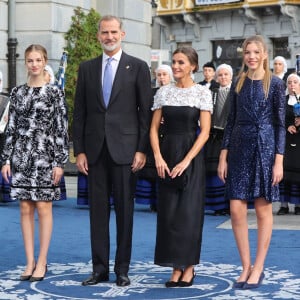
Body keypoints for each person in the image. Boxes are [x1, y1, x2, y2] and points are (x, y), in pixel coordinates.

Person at [72, 15, 153, 287]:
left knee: (125, 212)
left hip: (127, 152)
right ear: (98, 36)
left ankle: (122, 269)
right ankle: (99, 269)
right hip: (94, 153)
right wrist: (79, 151)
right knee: (97, 213)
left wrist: (142, 150)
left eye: (113, 32)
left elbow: (146, 114)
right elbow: (79, 114)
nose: (109, 37)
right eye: (104, 33)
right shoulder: (86, 68)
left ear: (123, 33)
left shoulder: (138, 67)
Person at [218, 35, 286, 289]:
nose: (252, 56)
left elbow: (280, 124)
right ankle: (245, 266)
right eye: (248, 52)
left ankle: (258, 267)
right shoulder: (238, 82)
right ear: (243, 55)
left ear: (264, 55)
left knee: (262, 209)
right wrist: (223, 155)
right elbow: (230, 121)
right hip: (239, 148)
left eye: (256, 52)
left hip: (266, 149)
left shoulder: (276, 84)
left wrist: (278, 160)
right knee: (236, 209)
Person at [1, 44, 69, 281]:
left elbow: (61, 128)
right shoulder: (17, 92)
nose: (34, 64)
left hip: (46, 156)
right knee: (25, 207)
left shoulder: (54, 93)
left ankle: (42, 261)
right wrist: (6, 159)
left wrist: (60, 161)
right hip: (21, 155)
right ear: (26, 63)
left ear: (44, 61)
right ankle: (29, 261)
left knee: (43, 206)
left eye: (38, 60)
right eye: (30, 60)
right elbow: (11, 127)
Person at [150, 46, 212, 288]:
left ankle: (190, 267)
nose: (176, 66)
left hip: (191, 157)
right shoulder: (163, 93)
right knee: (169, 214)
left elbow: (205, 131)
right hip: (166, 156)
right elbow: (153, 128)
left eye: (181, 62)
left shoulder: (201, 93)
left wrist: (187, 160)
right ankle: (175, 267)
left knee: (189, 214)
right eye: (174, 62)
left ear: (193, 66)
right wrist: (157, 156)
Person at [135, 64, 174, 212]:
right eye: (159, 75)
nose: (162, 77)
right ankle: (152, 201)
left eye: (165, 74)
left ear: (170, 76)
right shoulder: (151, 93)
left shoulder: (174, 91)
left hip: (169, 134)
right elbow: (145, 112)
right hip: (154, 133)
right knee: (151, 168)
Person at [204, 63, 233, 216]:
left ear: (231, 76)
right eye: (220, 75)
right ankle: (216, 205)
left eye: (226, 74)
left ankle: (229, 204)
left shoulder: (236, 93)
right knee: (213, 170)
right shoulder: (212, 92)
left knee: (228, 170)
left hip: (230, 138)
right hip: (213, 137)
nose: (223, 77)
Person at [277, 73, 300, 215]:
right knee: (284, 171)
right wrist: (287, 126)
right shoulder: (282, 100)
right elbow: (276, 118)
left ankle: (298, 205)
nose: (292, 85)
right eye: (289, 82)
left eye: (295, 82)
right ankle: (283, 204)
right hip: (285, 139)